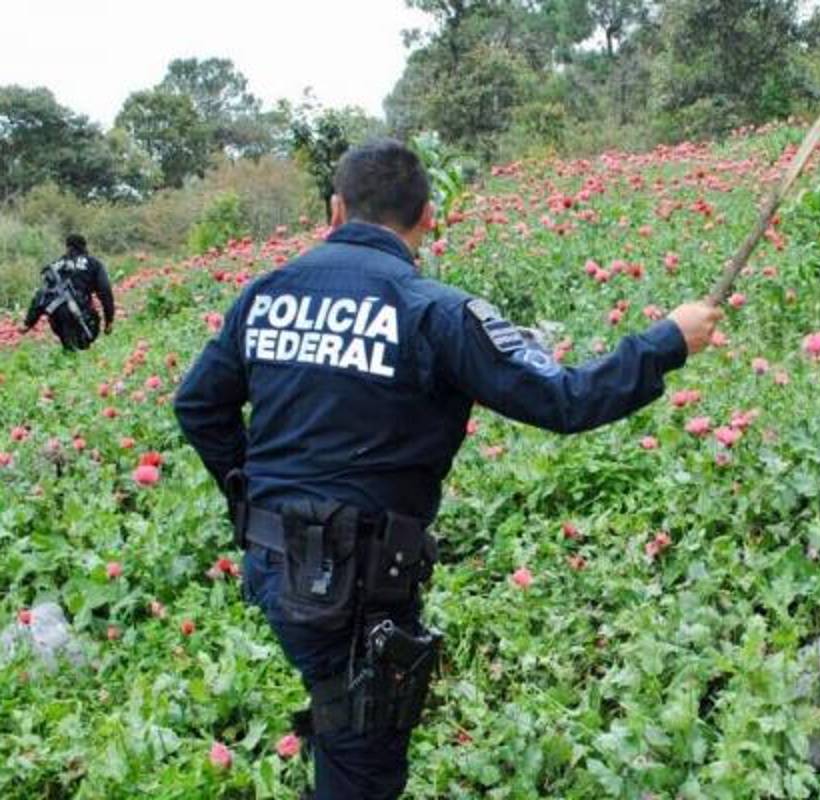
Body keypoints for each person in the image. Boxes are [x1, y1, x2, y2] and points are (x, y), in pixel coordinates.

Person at [173, 139, 721, 800]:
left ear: (335, 207)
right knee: (363, 761)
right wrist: (665, 341)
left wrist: (259, 505)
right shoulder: (432, 310)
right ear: (429, 216)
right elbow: (565, 399)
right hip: (355, 583)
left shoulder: (265, 295)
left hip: (274, 567)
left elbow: (199, 405)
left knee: (345, 719)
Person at [21, 234, 115, 351]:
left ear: (67, 247)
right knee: (82, 343)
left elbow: (42, 295)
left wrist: (29, 323)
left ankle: (71, 357)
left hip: (58, 316)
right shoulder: (93, 263)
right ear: (84, 247)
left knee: (70, 346)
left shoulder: (54, 266)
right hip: (83, 314)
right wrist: (109, 320)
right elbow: (105, 292)